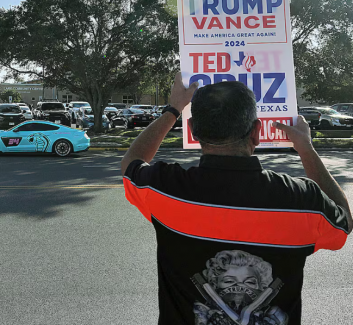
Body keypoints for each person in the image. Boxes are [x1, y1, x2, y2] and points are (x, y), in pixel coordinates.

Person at [121, 73, 351, 325]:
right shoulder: (302, 200)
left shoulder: (166, 188)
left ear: (192, 132)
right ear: (256, 132)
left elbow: (130, 164)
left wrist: (173, 109)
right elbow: (344, 221)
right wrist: (306, 148)